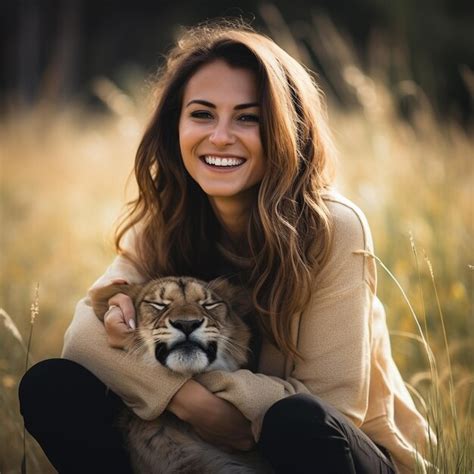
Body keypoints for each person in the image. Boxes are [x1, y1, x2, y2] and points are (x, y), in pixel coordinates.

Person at [19, 21, 433, 474]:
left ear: (284, 131)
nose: (220, 137)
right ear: (175, 126)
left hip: (340, 453)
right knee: (51, 385)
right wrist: (190, 401)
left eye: (247, 117)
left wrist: (222, 403)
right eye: (201, 114)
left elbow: (333, 410)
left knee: (297, 421)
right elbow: (82, 337)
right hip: (210, 446)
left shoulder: (333, 226)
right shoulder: (166, 219)